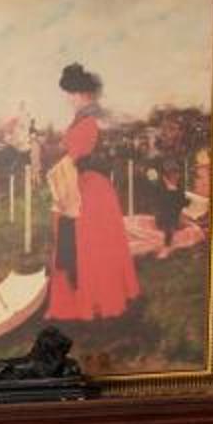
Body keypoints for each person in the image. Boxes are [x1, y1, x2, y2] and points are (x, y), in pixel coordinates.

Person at [45, 62, 141, 322]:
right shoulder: (85, 119)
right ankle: (84, 299)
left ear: (82, 94)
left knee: (87, 244)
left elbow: (75, 157)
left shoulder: (88, 122)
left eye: (71, 94)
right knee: (79, 243)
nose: (69, 100)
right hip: (86, 184)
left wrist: (58, 173)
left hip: (89, 188)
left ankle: (95, 300)